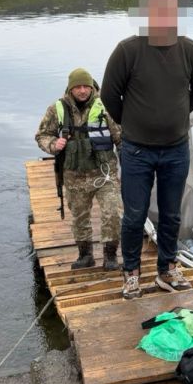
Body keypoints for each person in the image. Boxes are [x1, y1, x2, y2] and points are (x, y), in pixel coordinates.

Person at [101, 0, 193, 299]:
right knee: (135, 215)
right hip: (137, 150)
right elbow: (109, 95)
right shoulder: (128, 50)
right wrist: (136, 122)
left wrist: (175, 114)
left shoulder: (190, 50)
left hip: (176, 149)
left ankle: (167, 268)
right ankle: (131, 272)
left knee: (171, 213)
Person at [35, 68, 123, 271]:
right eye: (78, 87)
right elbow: (42, 135)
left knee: (112, 212)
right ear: (71, 88)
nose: (83, 91)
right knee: (80, 217)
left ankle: (110, 255)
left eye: (86, 86)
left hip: (104, 173)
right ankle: (85, 255)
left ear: (92, 87)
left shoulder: (106, 106)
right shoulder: (57, 109)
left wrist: (130, 163)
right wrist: (53, 144)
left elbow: (120, 138)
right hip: (74, 175)